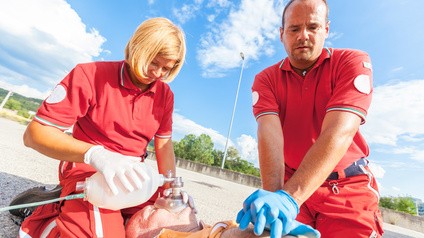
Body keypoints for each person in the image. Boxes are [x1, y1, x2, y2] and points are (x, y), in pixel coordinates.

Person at [15, 17, 188, 237]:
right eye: (153, 62)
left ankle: (74, 211)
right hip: (88, 168)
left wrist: (171, 186)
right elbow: (34, 134)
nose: (157, 74)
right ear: (136, 46)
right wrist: (96, 154)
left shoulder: (165, 95)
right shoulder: (90, 75)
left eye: (166, 68)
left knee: (168, 225)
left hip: (133, 174)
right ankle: (45, 214)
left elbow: (163, 144)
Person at [236, 0, 383, 237]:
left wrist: (289, 198)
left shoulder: (352, 62)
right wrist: (275, 204)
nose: (303, 36)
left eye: (312, 27)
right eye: (294, 29)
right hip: (290, 181)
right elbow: (269, 134)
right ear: (282, 34)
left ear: (326, 29)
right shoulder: (266, 79)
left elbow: (339, 131)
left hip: (346, 187)